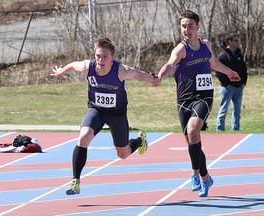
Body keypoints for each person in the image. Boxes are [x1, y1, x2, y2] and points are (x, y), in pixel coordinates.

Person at [51, 37, 160, 195]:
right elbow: (74, 65)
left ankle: (140, 141)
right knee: (83, 137)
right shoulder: (87, 67)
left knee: (122, 154)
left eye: (104, 57)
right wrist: (62, 71)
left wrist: (152, 80)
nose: (100, 60)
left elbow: (137, 74)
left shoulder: (121, 70)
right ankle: (76, 181)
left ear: (112, 58)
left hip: (117, 114)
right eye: (98, 56)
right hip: (97, 111)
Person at [157, 10, 240, 197]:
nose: (187, 30)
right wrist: (160, 76)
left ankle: (194, 174)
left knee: (194, 130)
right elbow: (170, 65)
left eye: (190, 26)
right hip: (184, 100)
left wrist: (229, 72)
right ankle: (206, 177)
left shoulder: (205, 45)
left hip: (204, 96)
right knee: (192, 142)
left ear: (197, 27)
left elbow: (213, 62)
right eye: (183, 26)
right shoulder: (180, 49)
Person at [216, 33, 248, 131]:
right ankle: (220, 128)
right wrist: (226, 84)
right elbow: (218, 72)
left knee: (237, 111)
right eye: (235, 40)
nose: (238, 42)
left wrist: (243, 82)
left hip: (239, 87)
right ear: (229, 41)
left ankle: (236, 128)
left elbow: (243, 69)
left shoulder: (239, 54)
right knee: (223, 109)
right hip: (228, 88)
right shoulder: (223, 56)